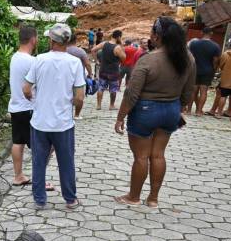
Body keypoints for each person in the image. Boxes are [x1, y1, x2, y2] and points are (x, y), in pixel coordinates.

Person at [114, 17, 195, 208]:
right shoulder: (188, 58)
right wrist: (179, 108)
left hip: (145, 111)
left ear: (157, 36)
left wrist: (120, 117)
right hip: (171, 110)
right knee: (158, 155)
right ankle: (153, 199)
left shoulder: (148, 59)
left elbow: (132, 93)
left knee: (141, 157)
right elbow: (189, 91)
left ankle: (133, 197)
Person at [22, 23, 86, 210]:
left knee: (39, 161)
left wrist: (35, 100)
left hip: (40, 122)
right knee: (66, 162)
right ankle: (70, 199)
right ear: (66, 42)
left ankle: (40, 200)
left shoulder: (39, 60)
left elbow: (26, 88)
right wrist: (69, 105)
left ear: (52, 40)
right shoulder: (74, 63)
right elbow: (80, 97)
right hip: (63, 124)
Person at [7, 24, 37, 186]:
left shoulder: (15, 57)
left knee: (18, 142)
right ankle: (40, 178)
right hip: (29, 107)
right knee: (41, 145)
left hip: (16, 106)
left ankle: (18, 175)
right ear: (33, 39)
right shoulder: (32, 61)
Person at [188, 27, 221, 116]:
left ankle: (188, 110)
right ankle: (199, 111)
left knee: (193, 91)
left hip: (195, 69)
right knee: (203, 91)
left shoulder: (194, 44)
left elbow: (190, 57)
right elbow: (215, 60)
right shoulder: (215, 46)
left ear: (201, 33)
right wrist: (213, 69)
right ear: (211, 33)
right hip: (207, 71)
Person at [92, 30, 126, 110]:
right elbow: (124, 58)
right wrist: (121, 44)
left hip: (103, 70)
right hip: (113, 72)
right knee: (113, 89)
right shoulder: (117, 48)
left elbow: (93, 50)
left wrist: (96, 61)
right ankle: (111, 105)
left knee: (101, 87)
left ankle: (98, 105)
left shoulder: (104, 43)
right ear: (119, 37)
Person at [67, 32, 93, 119]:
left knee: (66, 97)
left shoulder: (64, 50)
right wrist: (90, 74)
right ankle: (77, 115)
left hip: (66, 78)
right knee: (80, 97)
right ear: (75, 40)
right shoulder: (80, 51)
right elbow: (87, 64)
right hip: (79, 78)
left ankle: (67, 113)